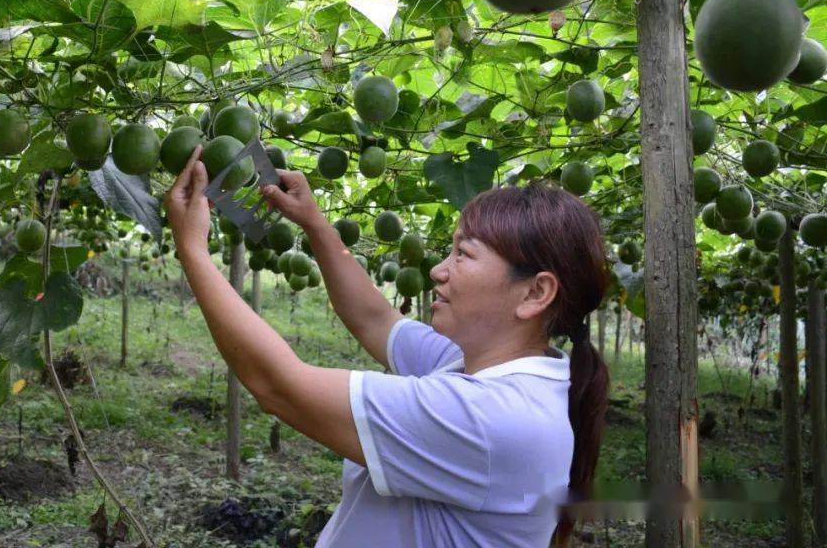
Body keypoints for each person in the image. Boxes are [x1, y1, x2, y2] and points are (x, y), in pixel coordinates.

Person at [166, 146, 610, 547]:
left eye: (463, 254)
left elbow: (279, 385)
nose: (438, 270)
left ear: (535, 293)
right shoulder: (473, 364)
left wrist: (192, 250)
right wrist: (315, 224)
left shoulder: (493, 420)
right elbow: (374, 318)